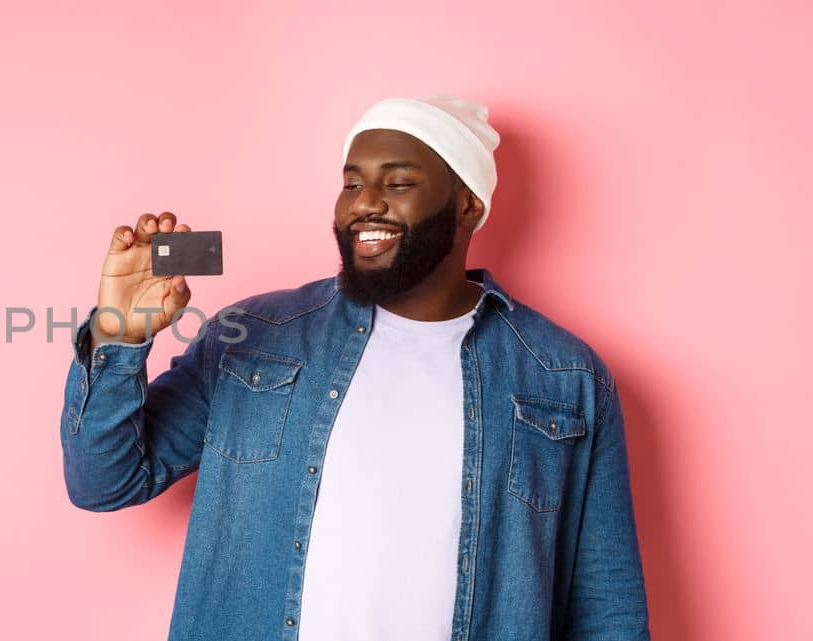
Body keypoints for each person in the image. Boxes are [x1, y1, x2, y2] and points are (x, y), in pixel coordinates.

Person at [59, 94, 651, 640]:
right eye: (351, 182)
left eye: (398, 182)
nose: (365, 201)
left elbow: (607, 605)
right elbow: (103, 482)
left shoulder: (562, 375)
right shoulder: (256, 339)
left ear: (468, 205)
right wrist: (118, 336)